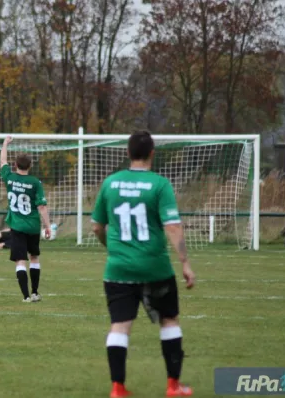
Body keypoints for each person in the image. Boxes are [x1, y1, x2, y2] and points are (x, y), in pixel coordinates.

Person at [91, 131, 196, 398]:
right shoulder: (159, 185)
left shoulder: (111, 183)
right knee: (169, 321)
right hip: (155, 268)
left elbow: (96, 227)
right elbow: (172, 226)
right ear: (152, 153)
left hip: (118, 269)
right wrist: (185, 262)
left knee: (120, 325)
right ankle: (173, 386)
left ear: (127, 153)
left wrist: (111, 247)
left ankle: (117, 388)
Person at [0, 136, 51, 302]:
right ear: (30, 165)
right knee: (34, 257)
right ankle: (35, 292)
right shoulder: (35, 182)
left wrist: (5, 144)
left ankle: (26, 296)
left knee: (20, 261)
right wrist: (48, 226)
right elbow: (42, 206)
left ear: (15, 165)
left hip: (17, 226)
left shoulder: (10, 178)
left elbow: (2, 162)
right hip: (33, 227)